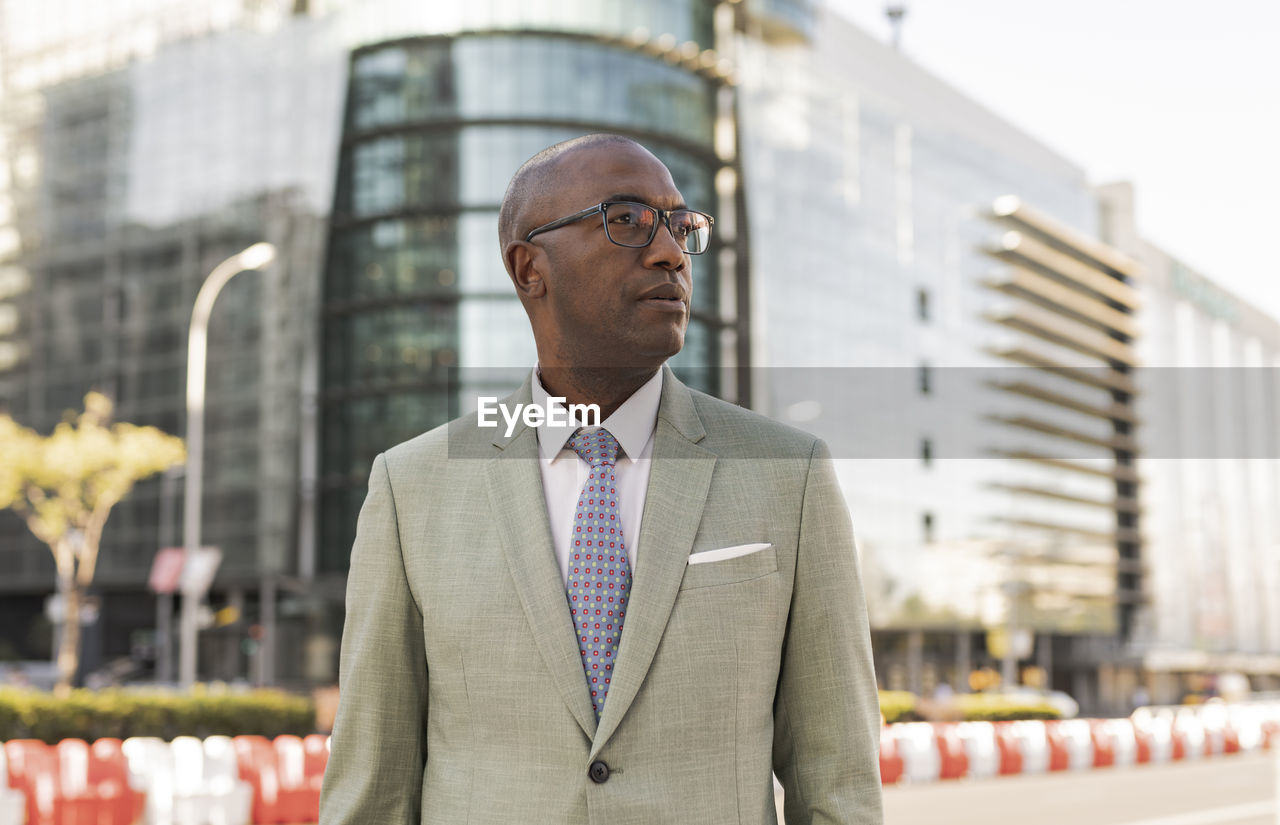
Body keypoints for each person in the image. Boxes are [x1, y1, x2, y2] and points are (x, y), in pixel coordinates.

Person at [319, 134, 883, 824]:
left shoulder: (788, 475)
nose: (671, 252)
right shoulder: (411, 488)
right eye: (627, 220)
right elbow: (373, 790)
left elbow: (838, 787)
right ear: (529, 268)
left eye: (680, 226)